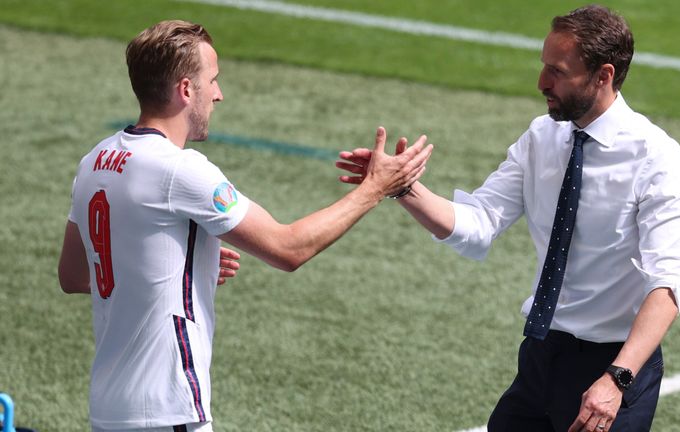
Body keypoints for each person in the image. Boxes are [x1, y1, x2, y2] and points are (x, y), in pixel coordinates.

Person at [337, 5, 680, 432]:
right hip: (541, 354)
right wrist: (399, 187)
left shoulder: (656, 157)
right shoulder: (541, 138)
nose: (542, 82)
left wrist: (617, 378)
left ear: (603, 76)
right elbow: (479, 223)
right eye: (544, 66)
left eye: (558, 72)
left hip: (614, 366)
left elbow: (668, 284)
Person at [57, 20, 432, 432]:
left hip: (109, 411)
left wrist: (166, 269)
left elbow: (74, 274)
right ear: (186, 89)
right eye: (212, 81)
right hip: (168, 409)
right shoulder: (180, 170)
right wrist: (376, 188)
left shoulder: (94, 159)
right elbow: (288, 249)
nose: (218, 94)